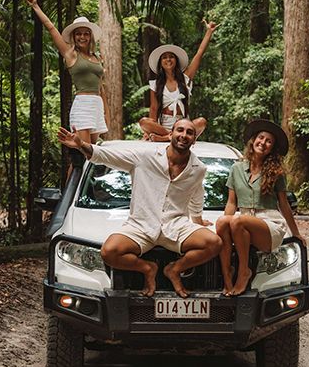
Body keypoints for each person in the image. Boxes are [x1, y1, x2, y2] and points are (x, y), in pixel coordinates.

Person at [57, 118, 223, 298]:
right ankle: (147, 268)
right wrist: (81, 144)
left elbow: (196, 194)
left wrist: (197, 221)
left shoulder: (198, 168)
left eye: (189, 132)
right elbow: (107, 156)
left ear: (194, 140)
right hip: (141, 224)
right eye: (180, 130)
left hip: (176, 225)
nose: (184, 135)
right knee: (109, 251)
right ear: (171, 134)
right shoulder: (145, 157)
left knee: (214, 243)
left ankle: (174, 270)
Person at [216, 119, 306, 297]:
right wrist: (225, 225)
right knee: (221, 222)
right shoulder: (236, 169)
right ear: (253, 140)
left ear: (272, 148)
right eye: (261, 137)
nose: (263, 143)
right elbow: (232, 203)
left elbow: (284, 204)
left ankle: (244, 272)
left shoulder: (276, 172)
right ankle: (227, 279)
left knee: (237, 221)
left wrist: (295, 233)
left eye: (269, 141)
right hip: (242, 223)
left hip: (269, 223)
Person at [24, 0, 108, 145]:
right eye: (78, 34)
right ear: (74, 36)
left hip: (97, 105)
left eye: (86, 34)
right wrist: (35, 6)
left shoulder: (97, 57)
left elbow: (101, 88)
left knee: (94, 155)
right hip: (83, 104)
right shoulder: (70, 53)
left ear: (90, 37)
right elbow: (51, 28)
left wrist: (105, 113)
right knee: (82, 153)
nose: (82, 37)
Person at [139, 20, 219, 142]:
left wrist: (209, 32)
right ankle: (171, 136)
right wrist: (150, 130)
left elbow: (199, 54)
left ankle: (167, 138)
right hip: (163, 126)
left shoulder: (185, 78)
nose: (168, 59)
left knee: (201, 122)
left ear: (176, 60)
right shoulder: (155, 84)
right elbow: (154, 108)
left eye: (171, 57)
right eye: (164, 58)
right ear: (161, 63)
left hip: (183, 125)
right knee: (144, 122)